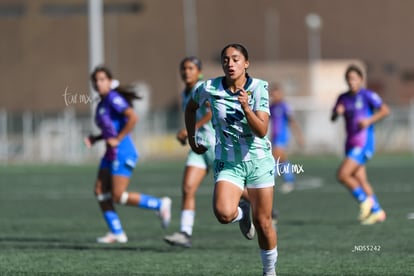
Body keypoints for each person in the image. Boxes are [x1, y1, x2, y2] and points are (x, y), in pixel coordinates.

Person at [185, 44, 278, 276]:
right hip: (228, 162)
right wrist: (191, 137)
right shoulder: (208, 87)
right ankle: (242, 213)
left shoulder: (259, 88)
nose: (230, 63)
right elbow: (191, 107)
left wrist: (247, 108)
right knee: (224, 213)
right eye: (226, 60)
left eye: (236, 59)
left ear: (246, 63)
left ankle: (269, 272)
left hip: (259, 161)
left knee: (264, 223)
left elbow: (262, 130)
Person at [85, 66, 172, 243]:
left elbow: (132, 117)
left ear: (110, 82)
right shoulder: (102, 103)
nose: (98, 83)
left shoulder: (113, 98)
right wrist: (97, 138)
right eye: (95, 80)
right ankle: (116, 232)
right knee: (100, 191)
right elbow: (111, 130)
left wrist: (118, 139)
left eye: (102, 79)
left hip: (123, 152)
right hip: (110, 153)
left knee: (118, 196)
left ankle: (159, 204)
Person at [163, 57, 216, 248]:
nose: (186, 72)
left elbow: (212, 113)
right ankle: (185, 232)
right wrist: (187, 134)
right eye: (184, 68)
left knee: (238, 194)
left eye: (191, 68)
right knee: (187, 188)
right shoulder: (185, 93)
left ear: (199, 71)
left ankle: (265, 211)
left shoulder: (202, 88)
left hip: (216, 146)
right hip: (198, 147)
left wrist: (189, 129)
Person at [331, 64, 390, 225]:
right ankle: (378, 212)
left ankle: (366, 201)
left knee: (342, 175)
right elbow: (333, 117)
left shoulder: (368, 95)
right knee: (361, 180)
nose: (351, 82)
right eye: (349, 79)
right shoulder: (342, 98)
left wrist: (369, 120)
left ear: (361, 80)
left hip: (363, 143)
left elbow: (385, 110)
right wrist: (337, 112)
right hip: (350, 143)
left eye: (354, 79)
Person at [269, 83, 304, 194]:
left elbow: (292, 122)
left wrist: (299, 136)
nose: (274, 96)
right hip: (274, 137)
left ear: (281, 94)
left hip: (282, 136)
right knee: (282, 159)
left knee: (274, 158)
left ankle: (270, 181)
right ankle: (290, 181)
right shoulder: (271, 106)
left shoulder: (285, 106)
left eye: (276, 93)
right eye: (272, 94)